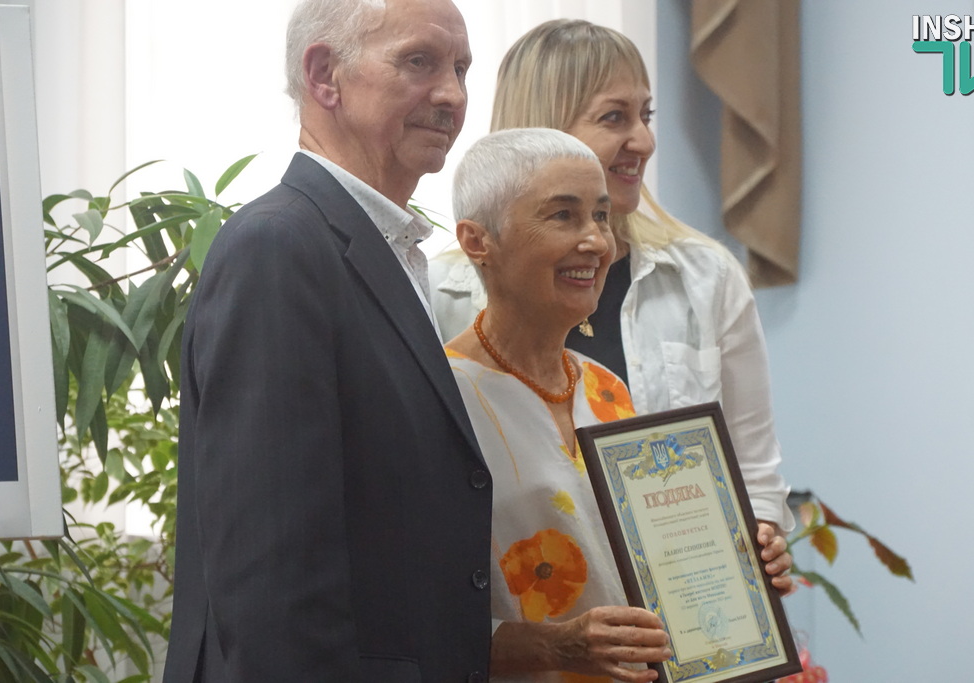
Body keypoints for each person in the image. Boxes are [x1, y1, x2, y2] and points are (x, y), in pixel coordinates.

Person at [163, 1, 493, 681]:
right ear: (324, 76)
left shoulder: (391, 251)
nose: (453, 95)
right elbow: (272, 580)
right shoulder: (278, 246)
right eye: (420, 62)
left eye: (461, 69)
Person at [430, 18, 795, 590]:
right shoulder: (439, 294)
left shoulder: (707, 278)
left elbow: (752, 471)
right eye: (614, 118)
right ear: (545, 129)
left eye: (646, 116)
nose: (643, 141)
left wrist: (761, 539)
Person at [445, 127, 672, 682]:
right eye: (563, 215)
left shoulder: (606, 387)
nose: (597, 242)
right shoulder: (440, 399)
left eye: (601, 216)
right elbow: (411, 615)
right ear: (477, 241)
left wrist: (739, 556)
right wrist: (555, 647)